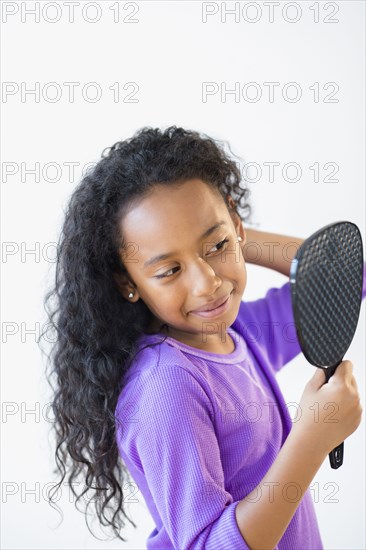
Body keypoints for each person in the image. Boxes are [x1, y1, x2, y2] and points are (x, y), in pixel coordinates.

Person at [43, 126, 365, 549]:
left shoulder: (239, 333)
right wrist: (311, 438)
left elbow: (348, 274)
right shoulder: (166, 386)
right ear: (128, 282)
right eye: (169, 269)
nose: (207, 283)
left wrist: (229, 236)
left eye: (215, 247)